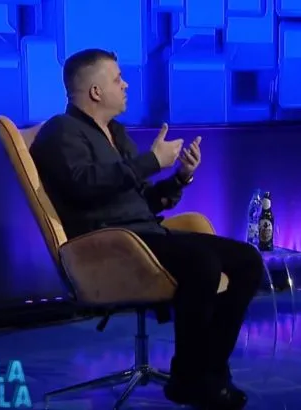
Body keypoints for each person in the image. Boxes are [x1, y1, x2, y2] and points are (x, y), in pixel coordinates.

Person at [29, 48, 262, 410]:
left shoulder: (115, 133)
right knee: (201, 262)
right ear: (95, 91)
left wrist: (179, 177)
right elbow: (84, 185)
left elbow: (141, 202)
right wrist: (151, 160)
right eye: (117, 79)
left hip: (146, 235)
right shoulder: (60, 131)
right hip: (109, 244)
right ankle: (193, 378)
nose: (125, 85)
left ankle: (207, 372)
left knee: (247, 260)